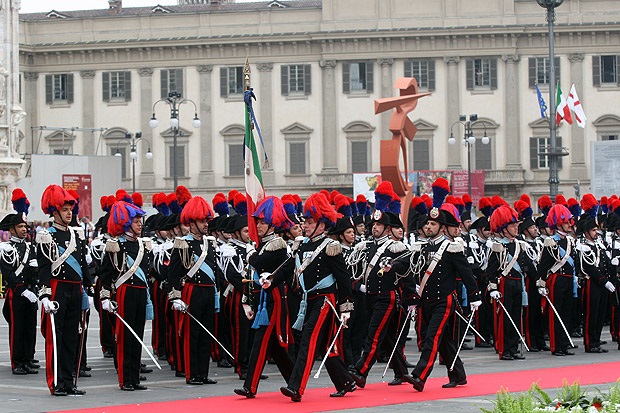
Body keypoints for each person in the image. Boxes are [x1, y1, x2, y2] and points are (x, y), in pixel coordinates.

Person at [392, 178, 481, 392]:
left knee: (432, 338)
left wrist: (475, 295)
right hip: (427, 300)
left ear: (442, 228)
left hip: (444, 300)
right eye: (427, 224)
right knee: (443, 342)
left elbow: (466, 274)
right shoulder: (421, 247)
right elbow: (406, 261)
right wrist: (391, 264)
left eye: (433, 224)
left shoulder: (452, 247)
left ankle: (420, 376)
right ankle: (458, 375)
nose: (429, 227)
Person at [280, 192, 356, 401]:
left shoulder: (330, 247)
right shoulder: (301, 245)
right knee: (325, 346)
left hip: (325, 300)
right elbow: (288, 268)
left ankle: (296, 387)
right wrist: (271, 278)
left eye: (310, 222)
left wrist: (346, 307)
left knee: (309, 340)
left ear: (321, 225)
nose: (305, 225)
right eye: (305, 221)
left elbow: (343, 279)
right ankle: (345, 381)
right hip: (309, 300)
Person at [348, 182, 416, 388]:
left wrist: (412, 297)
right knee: (387, 338)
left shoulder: (396, 247)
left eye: (378, 226)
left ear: (387, 229)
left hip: (387, 296)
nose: (374, 228)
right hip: (370, 296)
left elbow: (408, 269)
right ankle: (402, 371)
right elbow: (357, 269)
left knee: (374, 335)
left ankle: (361, 372)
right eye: (373, 226)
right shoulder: (367, 246)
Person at [234, 196, 295, 398]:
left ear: (272, 224)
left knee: (260, 342)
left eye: (263, 222)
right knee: (275, 348)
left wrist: (251, 253)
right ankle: (295, 381)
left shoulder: (276, 244)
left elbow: (259, 263)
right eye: (258, 221)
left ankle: (250, 386)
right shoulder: (263, 243)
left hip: (272, 299)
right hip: (263, 298)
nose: (258, 225)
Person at [37, 184, 90, 396]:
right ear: (55, 211)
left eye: (70, 209)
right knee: (56, 339)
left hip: (75, 290)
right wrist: (45, 294)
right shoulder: (45, 236)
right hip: (58, 289)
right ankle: (57, 382)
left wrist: (89, 288)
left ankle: (69, 381)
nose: (70, 213)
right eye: (65, 209)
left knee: (72, 338)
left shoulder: (77, 235)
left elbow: (83, 266)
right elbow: (43, 268)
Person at [168, 195, 221, 385]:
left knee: (206, 333)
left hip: (208, 291)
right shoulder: (182, 244)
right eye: (201, 220)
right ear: (191, 222)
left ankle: (203, 373)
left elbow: (215, 271)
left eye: (206, 220)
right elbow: (173, 274)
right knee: (193, 334)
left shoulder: (209, 243)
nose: (206, 224)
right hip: (192, 291)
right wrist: (175, 296)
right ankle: (192, 374)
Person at [99, 200, 152, 391]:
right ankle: (125, 379)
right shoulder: (115, 245)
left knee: (137, 336)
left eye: (140, 221)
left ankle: (135, 377)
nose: (140, 224)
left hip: (140, 294)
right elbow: (106, 274)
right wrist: (105, 298)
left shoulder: (143, 245)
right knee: (124, 337)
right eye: (136, 221)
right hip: (124, 293)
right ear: (127, 223)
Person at [487, 204, 534, 360]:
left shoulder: (520, 245)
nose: (516, 228)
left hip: (517, 284)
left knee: (516, 316)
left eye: (515, 225)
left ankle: (513, 348)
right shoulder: (498, 247)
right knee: (505, 319)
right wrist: (493, 287)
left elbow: (528, 267)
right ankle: (505, 349)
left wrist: (540, 280)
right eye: (512, 225)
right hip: (504, 284)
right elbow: (491, 271)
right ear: (503, 228)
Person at [0, 188, 39, 375]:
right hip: (16, 294)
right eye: (21, 227)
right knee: (17, 329)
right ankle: (17, 362)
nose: (25, 230)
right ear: (12, 229)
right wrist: (23, 290)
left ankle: (28, 358)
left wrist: (36, 286)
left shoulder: (30, 247)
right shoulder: (6, 248)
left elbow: (34, 271)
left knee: (30, 327)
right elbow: (8, 273)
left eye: (26, 227)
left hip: (30, 293)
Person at [537, 203, 578, 356]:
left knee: (567, 312)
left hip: (568, 279)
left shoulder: (569, 241)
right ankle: (556, 345)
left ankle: (564, 343)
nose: (569, 224)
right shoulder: (550, 242)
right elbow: (544, 265)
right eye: (567, 222)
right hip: (556, 279)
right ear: (559, 223)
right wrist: (541, 282)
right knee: (556, 313)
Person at [576, 194, 615, 353]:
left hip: (602, 284)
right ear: (586, 232)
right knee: (591, 316)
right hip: (593, 284)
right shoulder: (584, 247)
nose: (596, 233)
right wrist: (604, 280)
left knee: (599, 315)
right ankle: (589, 343)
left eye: (596, 229)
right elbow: (590, 268)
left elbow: (605, 263)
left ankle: (596, 340)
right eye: (593, 230)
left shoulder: (598, 245)